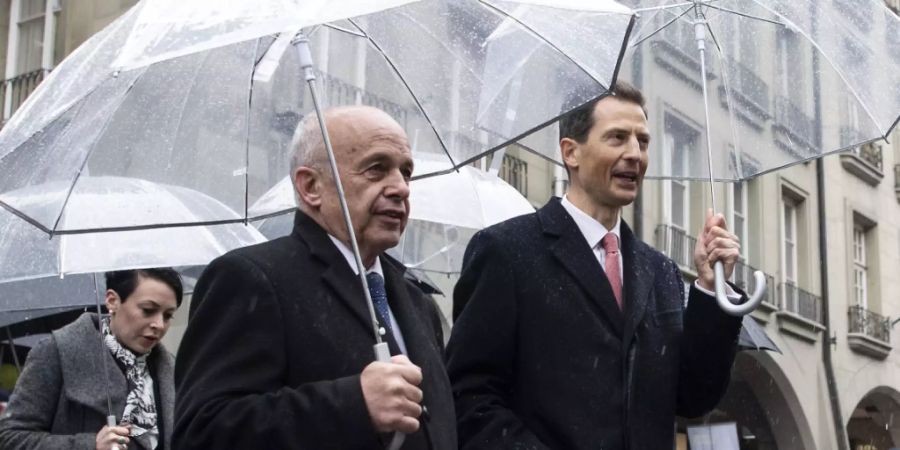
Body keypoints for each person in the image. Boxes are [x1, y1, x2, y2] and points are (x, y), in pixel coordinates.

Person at [445, 82, 746, 450]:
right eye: (617, 138)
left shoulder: (660, 271)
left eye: (643, 141)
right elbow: (470, 397)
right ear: (571, 152)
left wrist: (710, 290)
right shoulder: (507, 251)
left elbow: (692, 397)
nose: (635, 154)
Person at [173, 106, 455, 449]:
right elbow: (202, 433)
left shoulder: (416, 300)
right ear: (311, 187)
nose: (401, 188)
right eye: (376, 169)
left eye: (405, 172)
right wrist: (354, 403)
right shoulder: (252, 279)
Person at [0, 268, 183, 450]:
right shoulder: (57, 352)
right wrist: (90, 445)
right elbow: (10, 438)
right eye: (148, 310)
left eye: (167, 316)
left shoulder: (171, 369)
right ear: (112, 301)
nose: (159, 324)